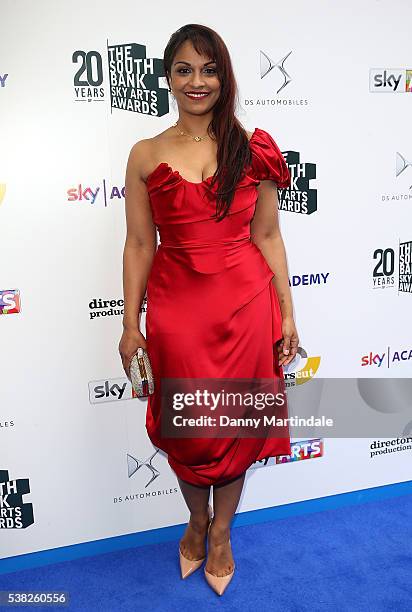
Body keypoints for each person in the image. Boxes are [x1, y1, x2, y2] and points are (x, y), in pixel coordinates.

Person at [119, 23, 299, 596]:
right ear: (167, 78)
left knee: (237, 426)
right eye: (185, 70)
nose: (198, 82)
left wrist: (288, 314)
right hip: (177, 313)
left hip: (247, 308)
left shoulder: (254, 150)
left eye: (210, 69)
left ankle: (220, 532)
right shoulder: (146, 154)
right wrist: (130, 325)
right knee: (191, 429)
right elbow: (140, 244)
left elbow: (268, 237)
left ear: (224, 76)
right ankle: (195, 518)